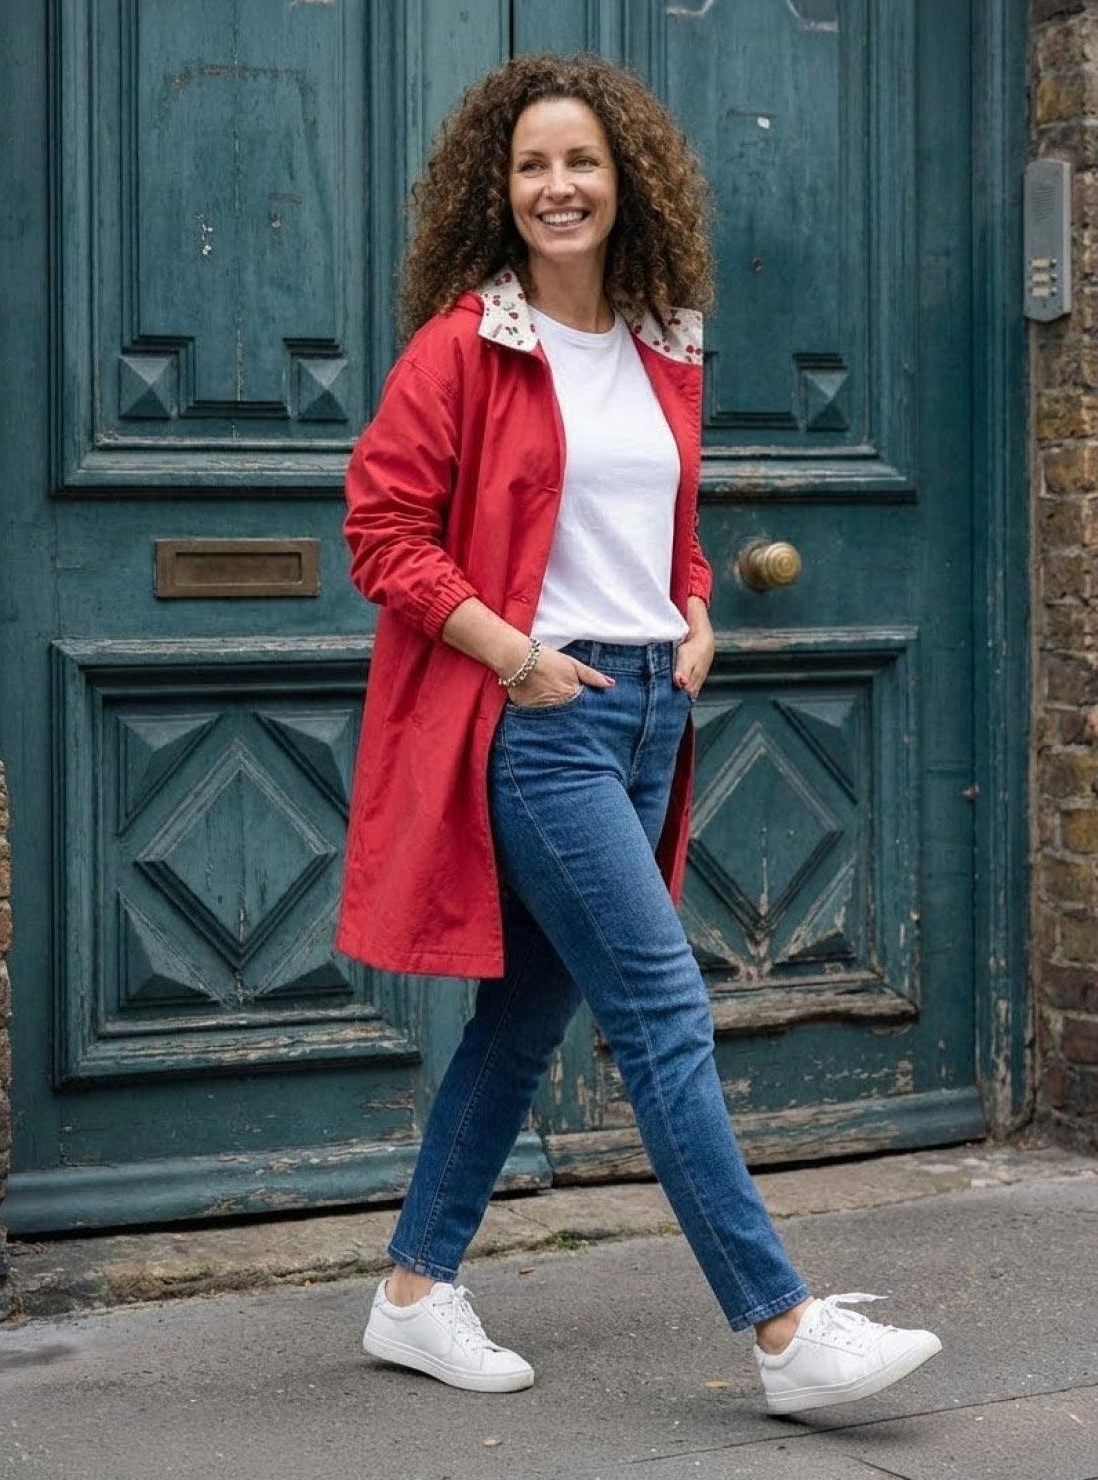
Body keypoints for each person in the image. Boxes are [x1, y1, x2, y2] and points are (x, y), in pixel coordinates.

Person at [337, 52, 942, 1416]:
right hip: (542, 717)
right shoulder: (465, 346)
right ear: (497, 189)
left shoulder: (664, 341)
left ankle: (413, 1296)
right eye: (531, 166)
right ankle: (782, 1329)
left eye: (581, 162)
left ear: (626, 182)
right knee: (663, 1007)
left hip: (651, 708)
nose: (557, 187)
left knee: (522, 1018)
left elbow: (657, 521)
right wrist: (514, 658)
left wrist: (694, 603)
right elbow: (381, 531)